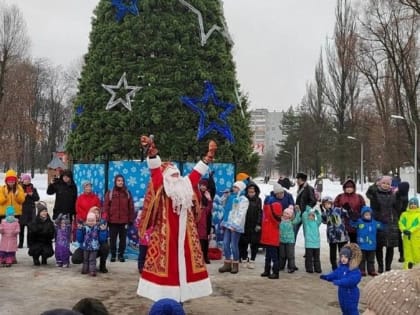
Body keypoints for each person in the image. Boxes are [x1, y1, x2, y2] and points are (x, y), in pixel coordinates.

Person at [137, 136, 215, 302]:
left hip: (186, 234)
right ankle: (165, 296)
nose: (176, 177)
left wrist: (207, 159)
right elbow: (155, 172)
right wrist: (152, 153)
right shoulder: (162, 186)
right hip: (166, 234)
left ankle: (182, 295)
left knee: (186, 263)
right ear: (166, 178)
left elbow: (195, 174)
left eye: (177, 174)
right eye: (172, 175)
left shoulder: (185, 185)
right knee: (166, 264)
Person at [320, 243, 362, 315]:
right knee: (344, 310)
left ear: (350, 258)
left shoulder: (354, 270)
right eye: (342, 256)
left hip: (351, 294)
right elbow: (335, 274)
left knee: (352, 311)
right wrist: (327, 277)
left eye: (345, 257)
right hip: (342, 293)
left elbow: (351, 281)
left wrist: (340, 282)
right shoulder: (341, 268)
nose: (343, 259)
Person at [218, 181, 249, 274]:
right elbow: (222, 204)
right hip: (228, 223)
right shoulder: (231, 197)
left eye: (236, 187)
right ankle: (227, 263)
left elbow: (241, 213)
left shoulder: (243, 199)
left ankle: (235, 264)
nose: (234, 189)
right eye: (234, 187)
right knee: (225, 243)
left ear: (241, 189)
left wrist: (235, 225)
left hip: (235, 225)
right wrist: (225, 196)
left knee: (234, 245)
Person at [369, 175, 399, 273]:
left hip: (391, 224)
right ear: (380, 183)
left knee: (390, 246)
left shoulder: (394, 194)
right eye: (384, 183)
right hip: (379, 223)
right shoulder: (375, 193)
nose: (386, 185)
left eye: (388, 184)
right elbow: (369, 194)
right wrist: (375, 184)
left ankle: (388, 266)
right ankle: (381, 266)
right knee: (379, 246)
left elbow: (398, 207)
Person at [104, 174, 134, 262]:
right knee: (112, 239)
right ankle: (113, 255)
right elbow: (106, 207)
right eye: (118, 180)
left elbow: (131, 207)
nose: (120, 182)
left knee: (123, 240)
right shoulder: (110, 192)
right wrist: (106, 219)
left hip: (124, 221)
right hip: (113, 221)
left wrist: (131, 219)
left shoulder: (127, 193)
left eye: (122, 181)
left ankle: (121, 255)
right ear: (115, 182)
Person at [72, 206, 110, 273]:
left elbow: (102, 240)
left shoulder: (102, 224)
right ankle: (86, 266)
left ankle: (102, 265)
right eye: (93, 212)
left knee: (105, 246)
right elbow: (79, 240)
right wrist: (80, 230)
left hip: (96, 248)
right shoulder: (83, 225)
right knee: (75, 259)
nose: (95, 214)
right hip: (85, 247)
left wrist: (103, 231)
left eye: (97, 213)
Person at [350, 206, 383, 276]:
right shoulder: (359, 222)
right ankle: (362, 270)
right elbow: (352, 224)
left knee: (371, 259)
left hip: (372, 245)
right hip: (362, 245)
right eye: (366, 215)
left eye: (369, 215)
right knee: (362, 259)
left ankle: (371, 270)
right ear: (362, 215)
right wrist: (353, 219)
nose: (368, 216)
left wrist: (384, 221)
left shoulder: (374, 222)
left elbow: (382, 226)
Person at [319, 196, 349, 270]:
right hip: (332, 237)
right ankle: (334, 267)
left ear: (332, 203)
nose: (327, 205)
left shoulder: (338, 210)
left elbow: (346, 214)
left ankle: (343, 266)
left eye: (329, 203)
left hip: (342, 236)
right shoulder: (326, 213)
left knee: (343, 252)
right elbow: (324, 221)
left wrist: (347, 210)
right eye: (325, 204)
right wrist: (323, 212)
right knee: (332, 253)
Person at [333, 179, 365, 243]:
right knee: (344, 245)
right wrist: (342, 210)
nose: (349, 189)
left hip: (355, 225)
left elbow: (363, 209)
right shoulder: (340, 197)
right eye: (347, 187)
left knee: (354, 244)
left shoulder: (359, 197)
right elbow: (335, 210)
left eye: (351, 187)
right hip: (343, 224)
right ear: (344, 188)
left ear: (354, 188)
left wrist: (356, 215)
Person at [239, 182, 262, 269]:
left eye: (253, 192)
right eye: (249, 192)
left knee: (254, 244)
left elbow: (260, 212)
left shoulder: (258, 200)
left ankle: (252, 260)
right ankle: (244, 259)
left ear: (256, 192)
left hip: (254, 225)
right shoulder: (243, 199)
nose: (251, 193)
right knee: (243, 243)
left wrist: (259, 224)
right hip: (244, 225)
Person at [260, 193, 282, 279]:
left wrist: (267, 205)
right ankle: (267, 270)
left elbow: (269, 212)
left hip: (271, 239)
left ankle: (275, 272)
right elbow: (266, 210)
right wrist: (266, 205)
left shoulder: (273, 215)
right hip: (269, 238)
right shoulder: (271, 213)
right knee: (268, 256)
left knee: (273, 257)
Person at [28, 201, 55, 266]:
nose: (44, 213)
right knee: (35, 249)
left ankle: (44, 258)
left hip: (46, 242)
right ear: (39, 212)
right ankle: (35, 258)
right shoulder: (34, 222)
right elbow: (31, 235)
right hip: (36, 242)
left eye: (45, 211)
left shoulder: (50, 222)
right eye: (42, 211)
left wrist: (45, 233)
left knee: (48, 252)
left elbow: (51, 235)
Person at [19, 173, 40, 248]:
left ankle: (29, 243)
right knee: (21, 228)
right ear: (22, 180)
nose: (27, 181)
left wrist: (32, 195)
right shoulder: (19, 188)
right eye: (25, 179)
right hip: (22, 210)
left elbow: (37, 198)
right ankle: (20, 244)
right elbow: (17, 199)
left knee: (30, 229)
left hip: (31, 210)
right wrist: (22, 196)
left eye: (28, 179)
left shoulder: (33, 188)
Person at [398, 196, 420, 269]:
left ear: (417, 205)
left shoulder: (418, 215)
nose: (413, 205)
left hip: (416, 238)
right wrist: (404, 230)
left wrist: (410, 230)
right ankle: (407, 269)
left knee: (417, 253)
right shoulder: (404, 214)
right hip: (406, 237)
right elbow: (401, 223)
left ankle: (417, 269)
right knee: (407, 253)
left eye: (414, 204)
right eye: (411, 204)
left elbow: (418, 225)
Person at [279, 205, 301, 273]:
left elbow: (298, 219)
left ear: (290, 215)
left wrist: (298, 212)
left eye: (287, 214)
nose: (285, 214)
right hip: (282, 240)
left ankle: (292, 267)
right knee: (282, 255)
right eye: (285, 213)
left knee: (290, 255)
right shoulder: (280, 220)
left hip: (290, 241)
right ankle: (281, 266)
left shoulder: (291, 222)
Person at [294, 172, 316, 237]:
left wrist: (306, 210)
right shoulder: (300, 187)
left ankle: (309, 246)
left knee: (307, 233)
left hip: (305, 214)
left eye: (298, 179)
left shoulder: (308, 188)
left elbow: (313, 201)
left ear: (302, 179)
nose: (297, 181)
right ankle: (291, 246)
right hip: (298, 213)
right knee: (293, 231)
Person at [197, 178, 213, 264]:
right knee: (197, 238)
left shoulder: (208, 194)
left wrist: (209, 200)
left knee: (205, 239)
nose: (203, 187)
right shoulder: (196, 193)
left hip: (206, 218)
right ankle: (197, 257)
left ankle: (205, 256)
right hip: (197, 218)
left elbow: (210, 208)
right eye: (202, 185)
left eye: (205, 185)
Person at [302, 206, 322, 273]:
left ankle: (317, 268)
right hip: (309, 244)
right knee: (309, 257)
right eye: (309, 215)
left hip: (316, 244)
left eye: (312, 215)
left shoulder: (316, 223)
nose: (311, 216)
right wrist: (308, 210)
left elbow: (320, 219)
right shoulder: (306, 223)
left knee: (317, 258)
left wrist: (317, 213)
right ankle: (309, 268)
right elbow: (304, 215)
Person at [395, 181, 409, 262]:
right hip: (399, 219)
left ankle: (403, 255)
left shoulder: (404, 195)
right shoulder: (397, 195)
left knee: (402, 238)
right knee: (401, 238)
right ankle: (402, 254)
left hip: (403, 219)